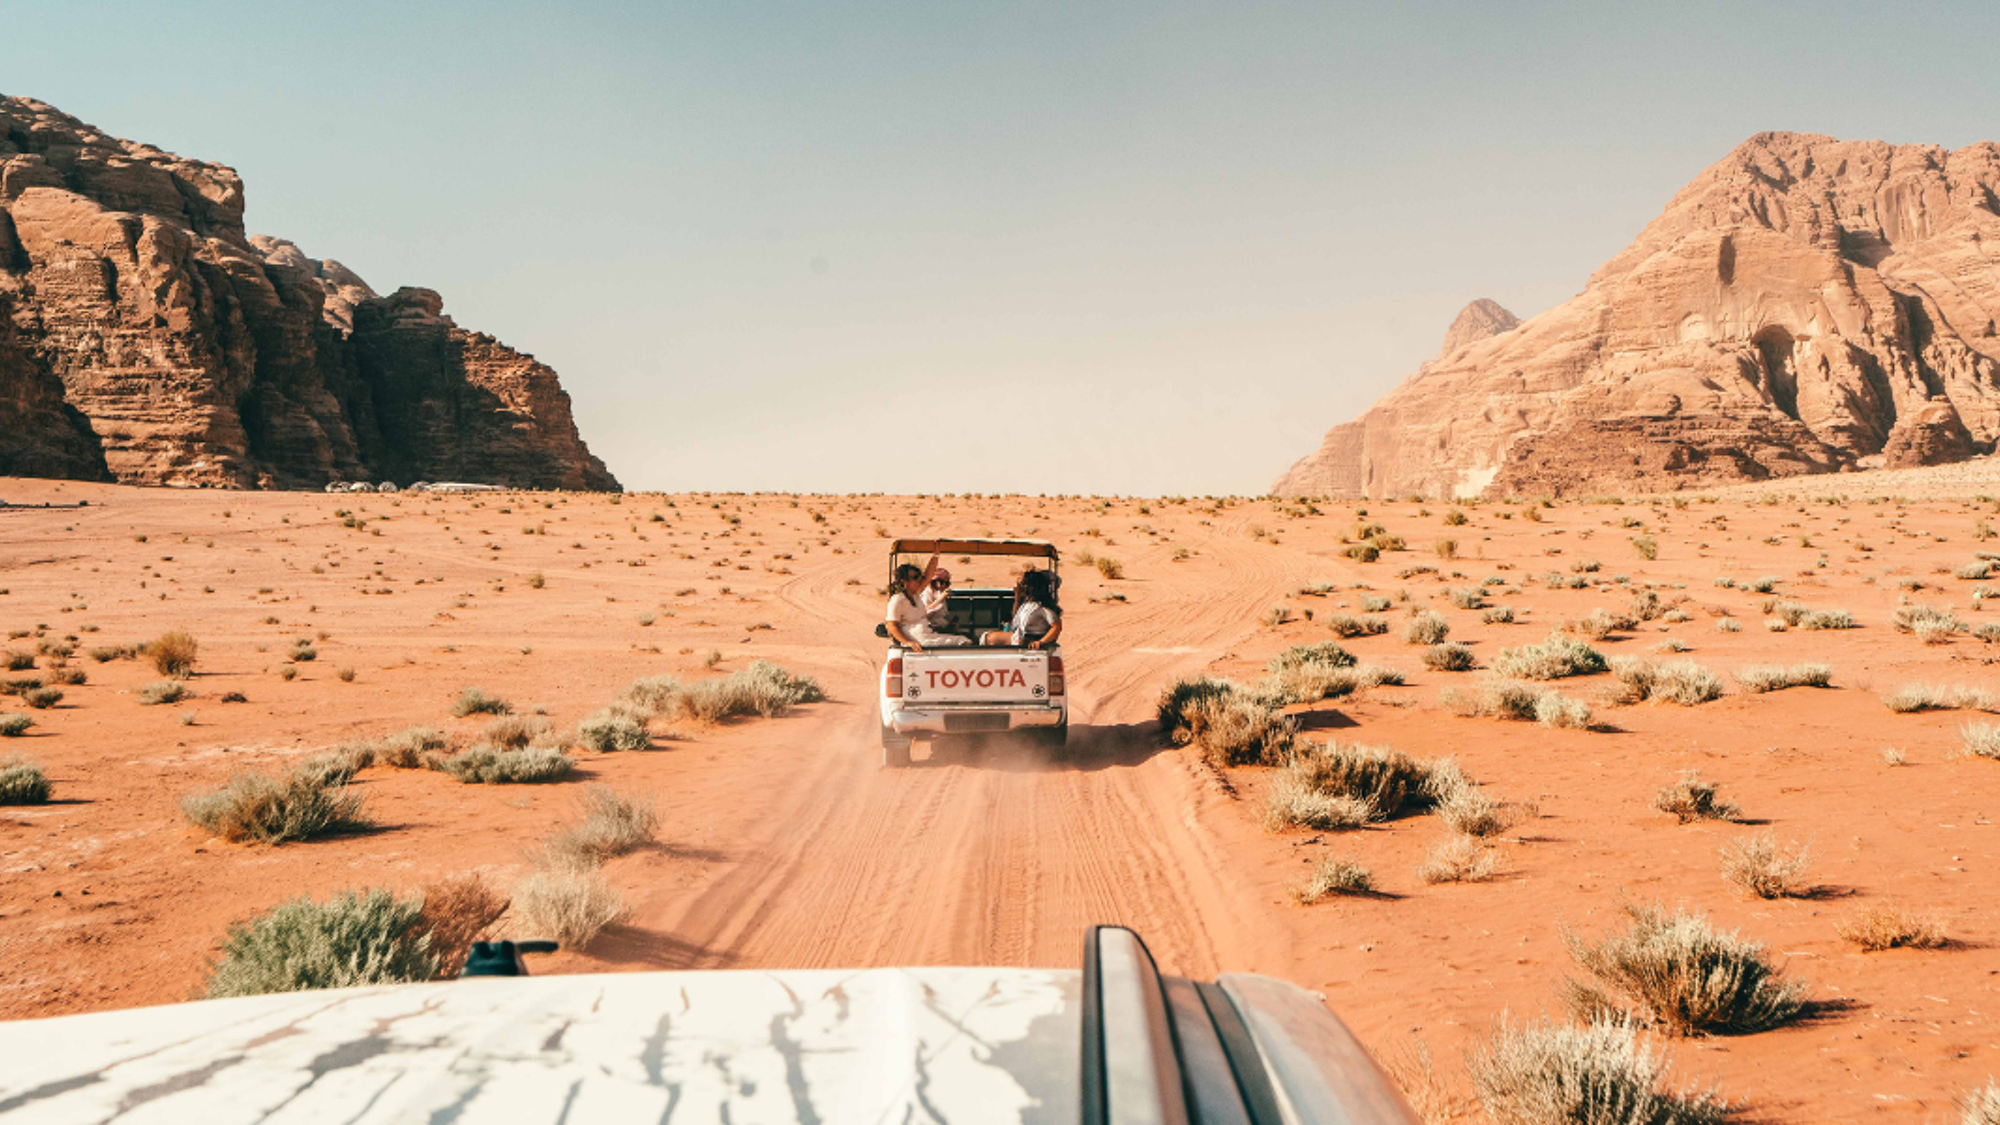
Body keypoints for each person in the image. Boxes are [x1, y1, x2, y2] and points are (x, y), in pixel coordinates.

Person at [886, 557, 970, 650]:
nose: (919, 580)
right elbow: (891, 625)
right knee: (962, 641)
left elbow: (928, 576)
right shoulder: (897, 600)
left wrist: (936, 555)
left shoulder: (915, 595)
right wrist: (908, 642)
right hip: (919, 640)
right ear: (904, 581)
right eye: (915, 577)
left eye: (919, 577)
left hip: (928, 635)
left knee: (963, 639)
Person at [982, 568, 1062, 649]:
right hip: (1018, 636)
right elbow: (1015, 617)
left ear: (1032, 587)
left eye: (1024, 584)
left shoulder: (1042, 607)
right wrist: (1017, 598)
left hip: (1028, 639)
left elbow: (1056, 626)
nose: (1021, 586)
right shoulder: (1028, 604)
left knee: (988, 639)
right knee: (986, 637)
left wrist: (1041, 642)